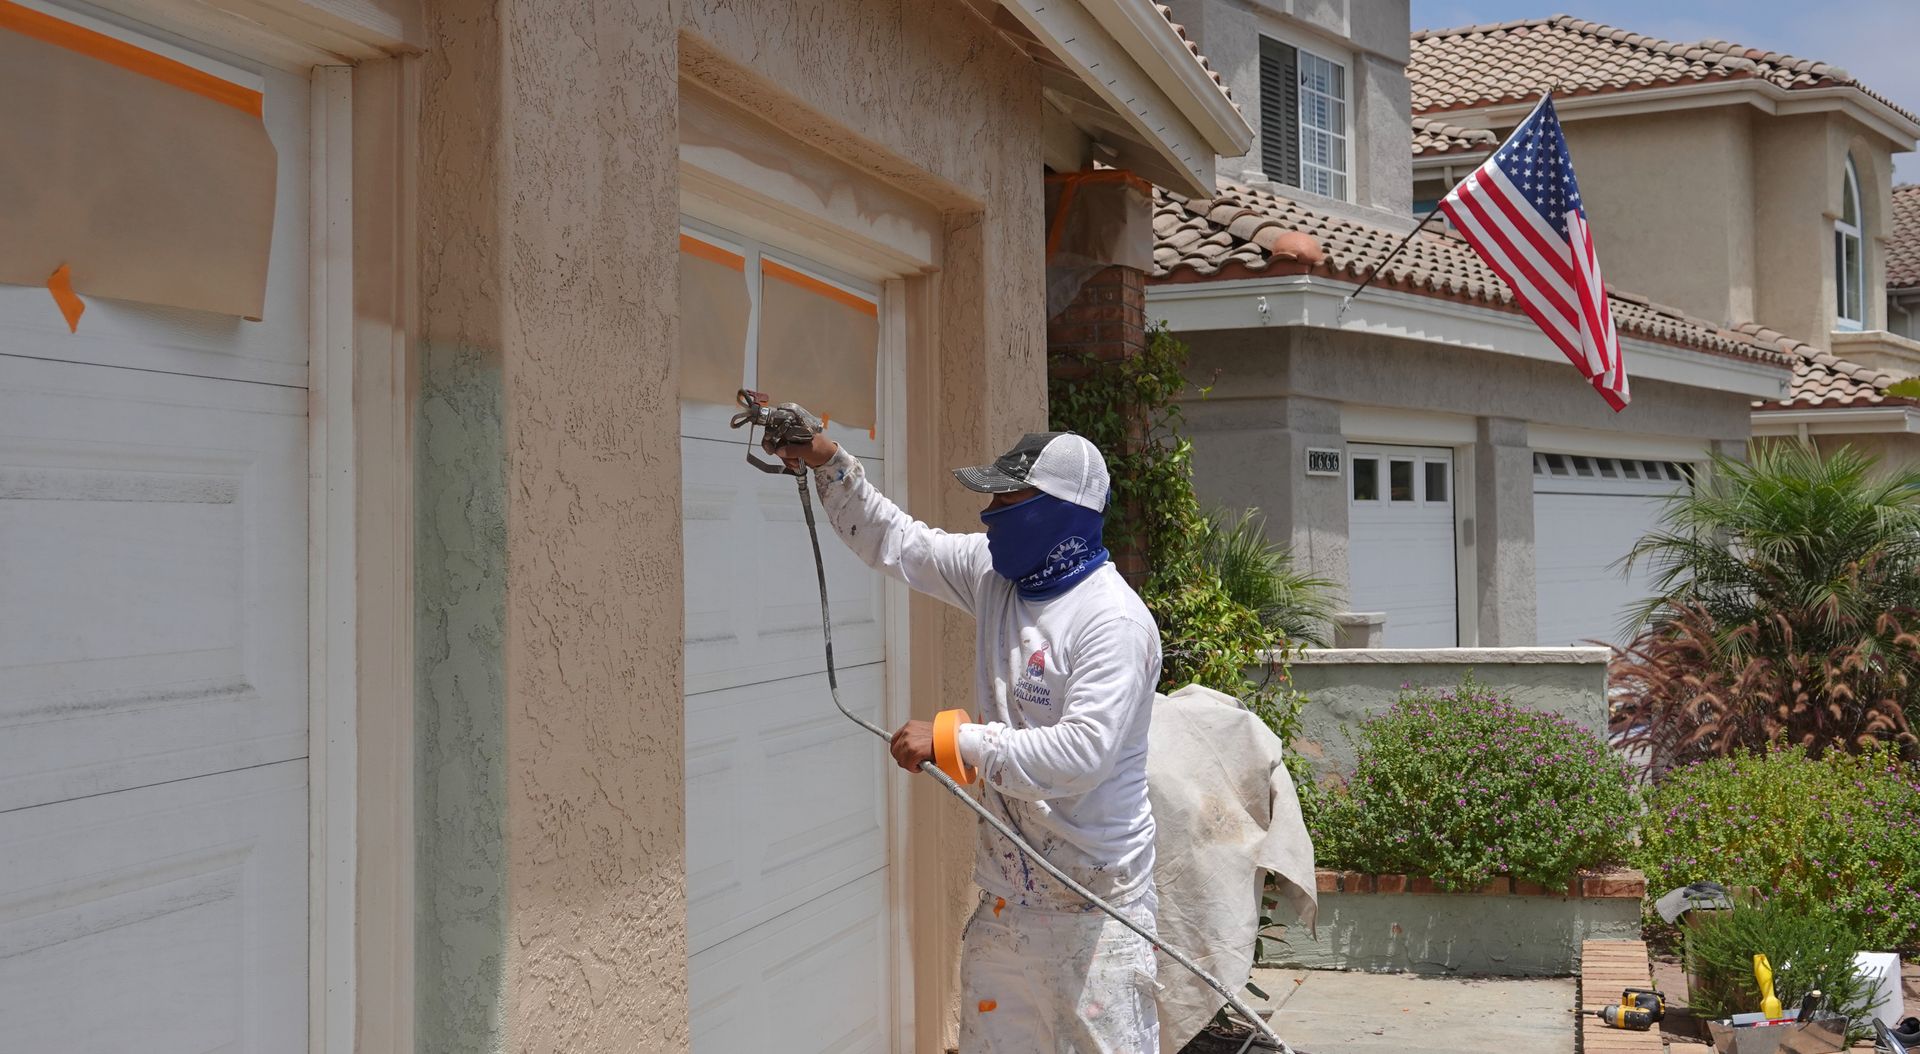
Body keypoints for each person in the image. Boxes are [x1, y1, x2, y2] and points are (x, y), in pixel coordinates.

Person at [769, 405, 1163, 1053]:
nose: (989, 514)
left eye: (1007, 497)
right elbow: (897, 541)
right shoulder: (994, 575)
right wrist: (827, 462)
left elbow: (1081, 754)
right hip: (1006, 904)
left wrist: (955, 740)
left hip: (1097, 917)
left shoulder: (1109, 621)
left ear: (1056, 510)